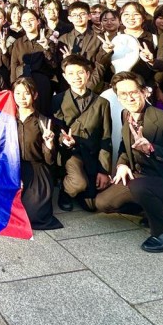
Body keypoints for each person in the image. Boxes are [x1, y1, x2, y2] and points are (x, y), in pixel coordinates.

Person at [94, 72, 163, 252]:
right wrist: (122, 164)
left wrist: (152, 149)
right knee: (102, 203)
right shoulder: (126, 114)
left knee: (140, 187)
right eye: (123, 94)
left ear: (145, 92)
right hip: (140, 176)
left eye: (133, 92)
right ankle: (149, 211)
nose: (129, 98)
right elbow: (124, 146)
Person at [50, 54, 112, 211]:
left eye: (80, 72)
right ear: (64, 76)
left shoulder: (102, 103)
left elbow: (106, 137)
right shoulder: (58, 100)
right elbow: (56, 130)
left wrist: (103, 171)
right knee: (79, 183)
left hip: (91, 154)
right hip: (71, 153)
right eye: (70, 73)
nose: (76, 77)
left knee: (91, 206)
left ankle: (78, 187)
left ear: (88, 74)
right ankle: (66, 191)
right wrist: (63, 140)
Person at [12, 77, 63, 230]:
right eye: (18, 93)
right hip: (12, 167)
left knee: (33, 216)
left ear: (35, 96)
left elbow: (50, 160)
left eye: (26, 93)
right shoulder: (7, 119)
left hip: (36, 169)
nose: (21, 98)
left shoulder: (44, 121)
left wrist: (49, 144)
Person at [54, 1, 112, 93]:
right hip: (70, 87)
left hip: (95, 85)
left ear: (89, 16)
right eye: (74, 15)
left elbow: (100, 65)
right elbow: (58, 67)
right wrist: (67, 60)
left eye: (82, 14)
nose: (78, 17)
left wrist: (106, 51)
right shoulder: (63, 39)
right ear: (69, 18)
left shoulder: (99, 38)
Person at [9, 8, 56, 114]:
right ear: (21, 23)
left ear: (38, 21)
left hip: (42, 85)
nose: (28, 23)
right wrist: (13, 87)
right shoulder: (18, 43)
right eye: (24, 21)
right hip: (22, 86)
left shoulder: (48, 41)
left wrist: (46, 48)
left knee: (43, 114)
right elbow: (13, 65)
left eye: (31, 20)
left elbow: (53, 65)